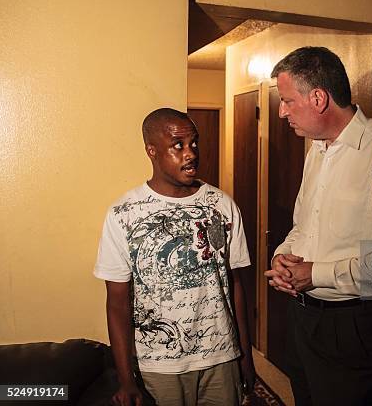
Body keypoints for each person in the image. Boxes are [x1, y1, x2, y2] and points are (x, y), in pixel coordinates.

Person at [263, 47, 372, 406]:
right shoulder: (316, 150)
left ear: (318, 98)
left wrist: (318, 273)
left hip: (354, 327)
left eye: (286, 101)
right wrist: (284, 256)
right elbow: (303, 226)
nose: (281, 111)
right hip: (301, 320)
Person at [94, 108, 255, 406]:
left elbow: (234, 286)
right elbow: (117, 301)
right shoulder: (124, 214)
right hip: (158, 367)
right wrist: (126, 379)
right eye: (178, 145)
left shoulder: (221, 205)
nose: (190, 153)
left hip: (221, 358)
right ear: (152, 151)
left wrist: (244, 355)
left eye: (194, 143)